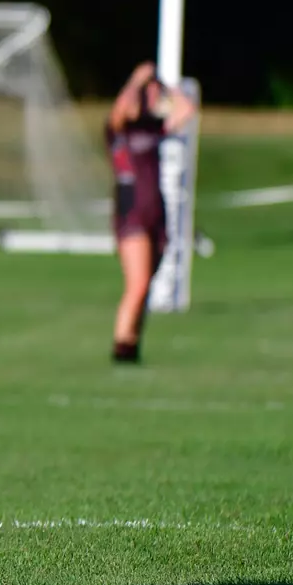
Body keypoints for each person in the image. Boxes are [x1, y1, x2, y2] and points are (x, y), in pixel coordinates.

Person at [105, 61, 195, 364]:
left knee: (146, 285)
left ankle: (132, 344)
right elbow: (119, 109)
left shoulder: (153, 127)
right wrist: (137, 80)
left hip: (156, 213)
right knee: (138, 283)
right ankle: (121, 347)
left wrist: (164, 85)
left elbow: (186, 110)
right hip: (131, 214)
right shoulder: (119, 131)